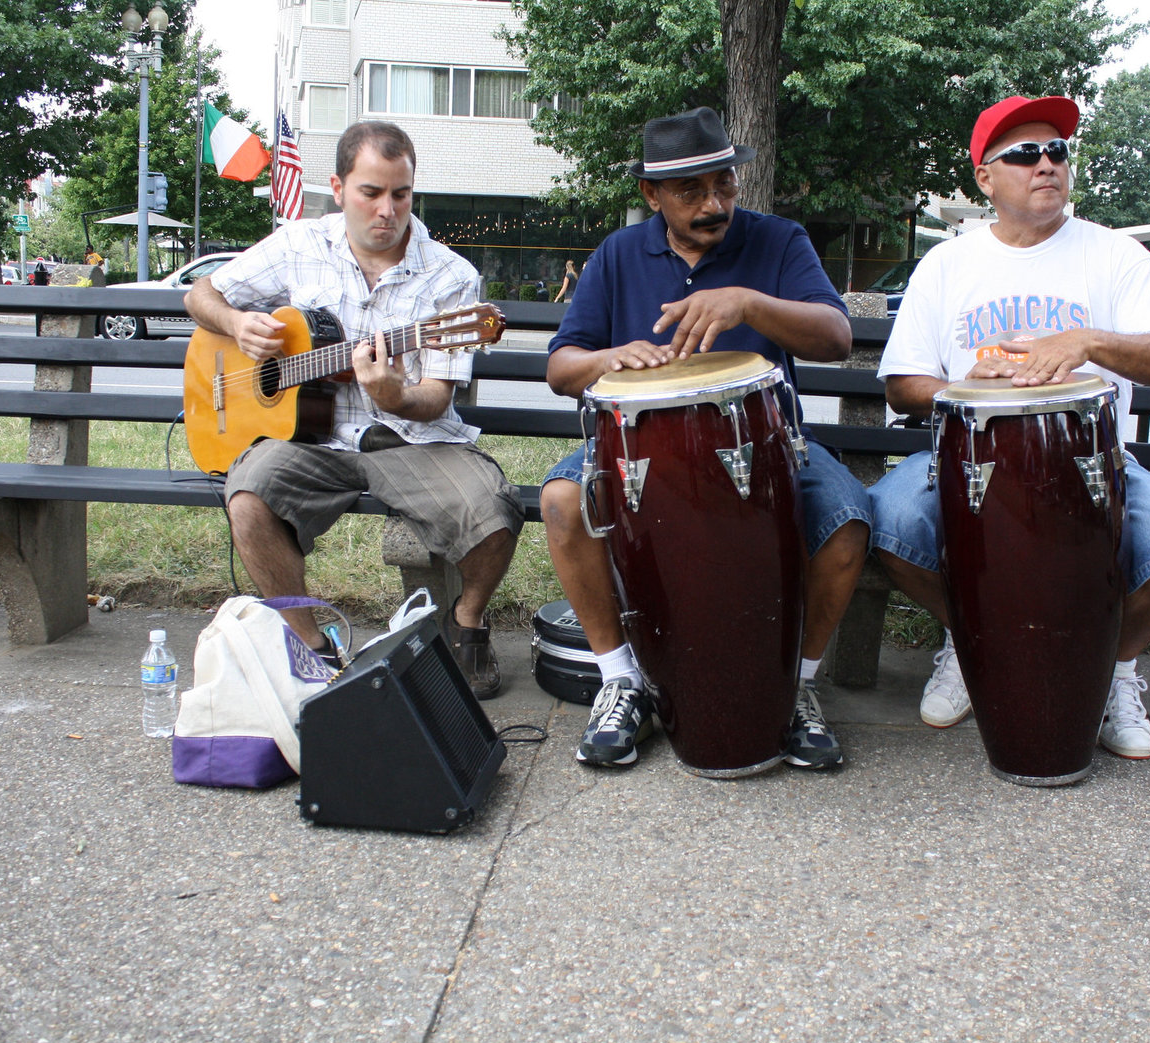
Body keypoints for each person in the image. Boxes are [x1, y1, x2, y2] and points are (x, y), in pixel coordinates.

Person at [867, 94, 1150, 761]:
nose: (1046, 163)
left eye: (1058, 151)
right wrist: (965, 389)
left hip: (1091, 458)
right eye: (1025, 153)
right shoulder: (948, 264)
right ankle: (973, 641)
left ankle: (1108, 669)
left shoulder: (1116, 256)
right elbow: (904, 383)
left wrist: (1086, 341)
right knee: (887, 524)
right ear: (985, 178)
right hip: (970, 455)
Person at [542, 106, 872, 770]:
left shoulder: (778, 241)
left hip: (768, 443)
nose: (713, 203)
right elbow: (559, 368)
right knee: (560, 501)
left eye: (723, 183)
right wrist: (611, 356)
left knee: (846, 522)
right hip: (639, 453)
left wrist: (748, 303)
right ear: (651, 194)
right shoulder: (618, 254)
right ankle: (620, 680)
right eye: (691, 191)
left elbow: (837, 337)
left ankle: (794, 689)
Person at [184, 119, 523, 698]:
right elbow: (200, 295)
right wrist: (238, 325)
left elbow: (436, 398)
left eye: (401, 193)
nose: (387, 209)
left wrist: (392, 394)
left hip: (412, 440)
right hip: (311, 440)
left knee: (494, 512)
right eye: (371, 192)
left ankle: (465, 622)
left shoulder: (452, 280)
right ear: (339, 189)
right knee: (248, 502)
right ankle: (312, 645)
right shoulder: (298, 245)